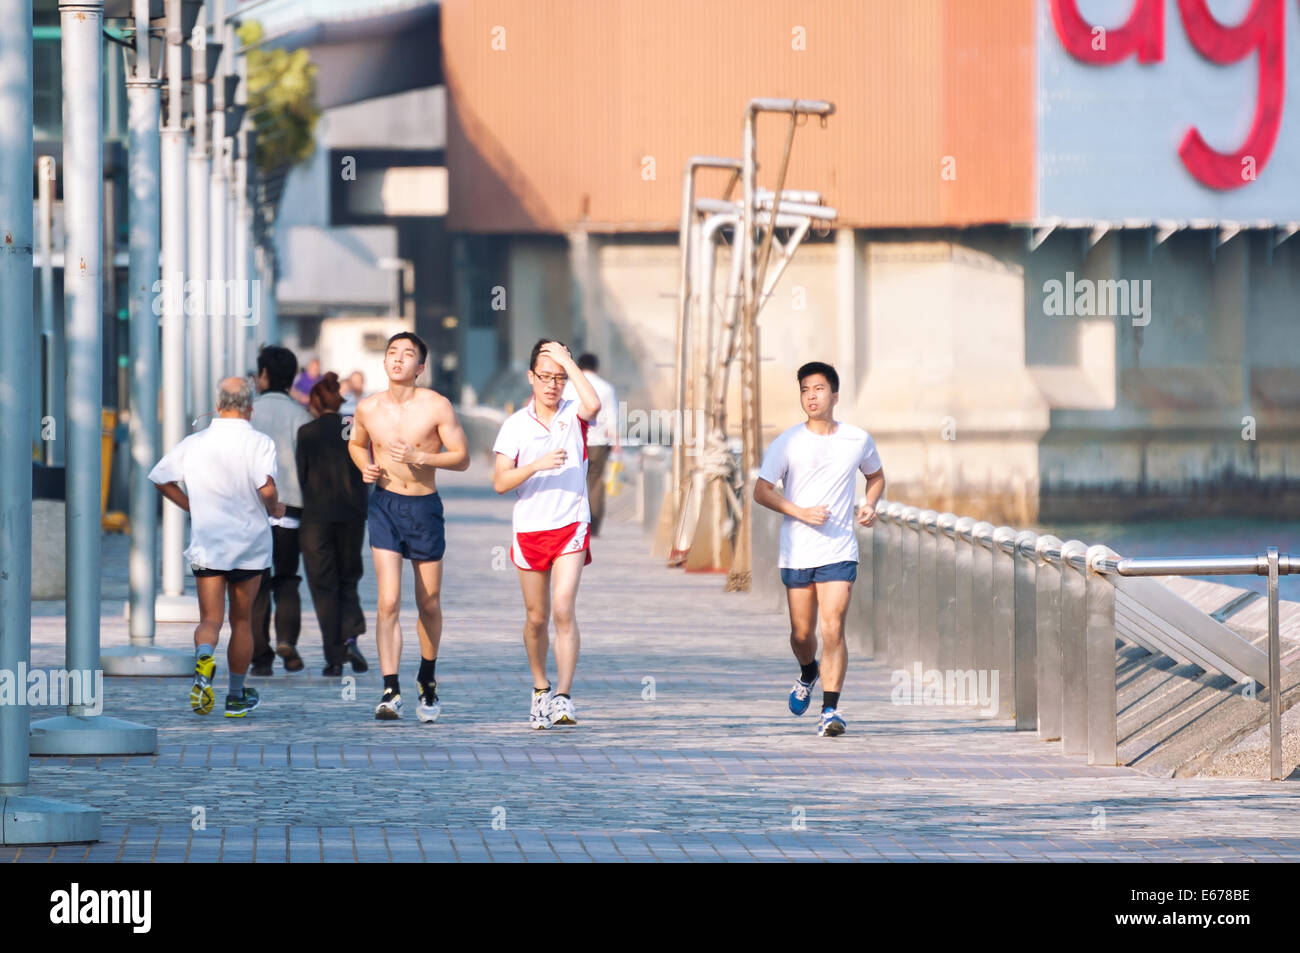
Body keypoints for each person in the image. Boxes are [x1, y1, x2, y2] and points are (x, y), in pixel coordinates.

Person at [753, 361, 885, 738]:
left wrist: (870, 504)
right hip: (797, 551)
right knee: (801, 634)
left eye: (819, 389)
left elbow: (875, 476)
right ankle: (808, 672)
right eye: (805, 390)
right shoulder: (788, 442)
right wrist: (799, 512)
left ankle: (830, 710)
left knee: (833, 627)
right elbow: (761, 490)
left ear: (835, 395)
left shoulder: (857, 439)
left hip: (839, 550)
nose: (811, 396)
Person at [348, 332, 470, 722]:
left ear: (420, 367)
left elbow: (463, 457)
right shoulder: (368, 408)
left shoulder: (436, 406)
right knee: (387, 601)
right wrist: (362, 464)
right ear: (384, 363)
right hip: (384, 504)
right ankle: (390, 688)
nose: (398, 360)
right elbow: (355, 442)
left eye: (407, 355)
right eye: (392, 353)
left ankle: (427, 679)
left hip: (423, 508)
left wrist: (421, 456)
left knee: (428, 602)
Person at [149, 377, 283, 718]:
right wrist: (275, 508)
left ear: (219, 405)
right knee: (242, 621)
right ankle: (236, 696)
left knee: (209, 619)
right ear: (250, 408)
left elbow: (161, 477)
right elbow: (266, 488)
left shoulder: (196, 442)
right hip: (249, 546)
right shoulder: (259, 442)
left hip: (208, 543)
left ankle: (204, 658)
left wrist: (192, 505)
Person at [492, 339, 601, 729]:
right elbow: (501, 482)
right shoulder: (515, 426)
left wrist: (567, 361)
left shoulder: (575, 414)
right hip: (531, 530)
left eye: (559, 378)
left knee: (562, 609)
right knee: (537, 618)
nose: (553, 385)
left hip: (572, 523)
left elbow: (595, 404)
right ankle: (540, 688)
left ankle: (565, 698)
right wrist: (537, 464)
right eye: (545, 377)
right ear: (530, 378)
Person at [298, 373, 370, 677]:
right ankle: (351, 635)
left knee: (324, 585)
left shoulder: (307, 432)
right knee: (348, 578)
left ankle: (334, 657)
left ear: (315, 402)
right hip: (352, 515)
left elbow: (302, 476)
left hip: (316, 518)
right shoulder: (351, 427)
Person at [250, 346, 312, 675]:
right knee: (287, 579)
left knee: (257, 582)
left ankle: (260, 656)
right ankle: (287, 640)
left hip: (251, 512)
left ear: (263, 375)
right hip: (291, 510)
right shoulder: (302, 416)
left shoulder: (248, 413)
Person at [562, 353, 618, 536]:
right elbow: (612, 417)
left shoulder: (567, 387)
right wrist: (616, 441)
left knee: (572, 482)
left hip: (572, 440)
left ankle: (571, 523)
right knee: (595, 484)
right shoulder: (606, 387)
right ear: (596, 368)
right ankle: (592, 527)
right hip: (599, 443)